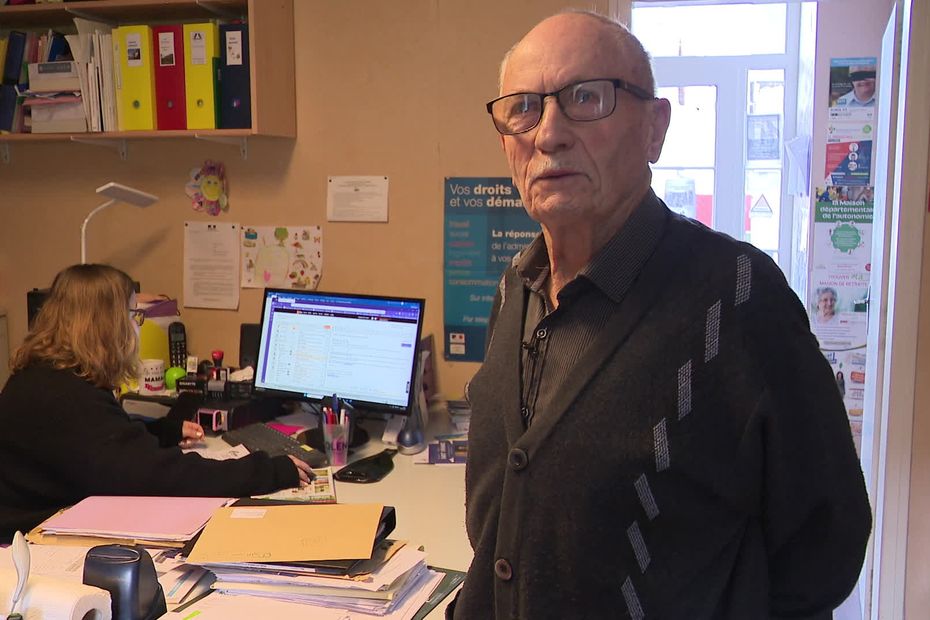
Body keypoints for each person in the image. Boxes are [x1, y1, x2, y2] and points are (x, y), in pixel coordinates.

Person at [453, 11, 871, 619]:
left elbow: (823, 549)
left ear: (655, 128)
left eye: (585, 98)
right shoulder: (515, 287)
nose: (548, 134)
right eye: (524, 108)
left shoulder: (740, 299)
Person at [0, 264, 313, 543]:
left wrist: (165, 431)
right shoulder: (68, 397)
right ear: (108, 325)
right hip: (26, 543)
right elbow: (161, 476)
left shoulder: (43, 376)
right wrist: (267, 471)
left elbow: (97, 449)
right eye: (134, 315)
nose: (137, 326)